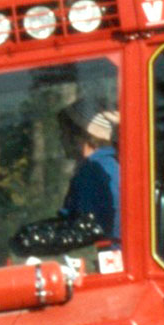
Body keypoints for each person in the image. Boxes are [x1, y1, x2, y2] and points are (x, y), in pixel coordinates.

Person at [58, 100, 120, 243]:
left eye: (63, 133)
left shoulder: (91, 172)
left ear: (80, 138)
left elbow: (79, 227)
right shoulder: (114, 164)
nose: (61, 139)